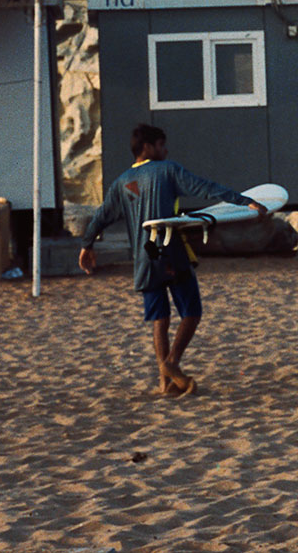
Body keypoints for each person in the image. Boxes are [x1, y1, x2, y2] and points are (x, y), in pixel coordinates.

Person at [78, 123, 266, 395]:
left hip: (144, 259)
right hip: (171, 253)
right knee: (192, 311)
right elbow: (204, 187)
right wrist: (244, 201)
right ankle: (172, 362)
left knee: (160, 319)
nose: (165, 150)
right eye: (161, 145)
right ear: (147, 147)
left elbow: (101, 216)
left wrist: (86, 246)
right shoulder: (168, 170)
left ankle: (165, 383)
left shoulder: (120, 183)